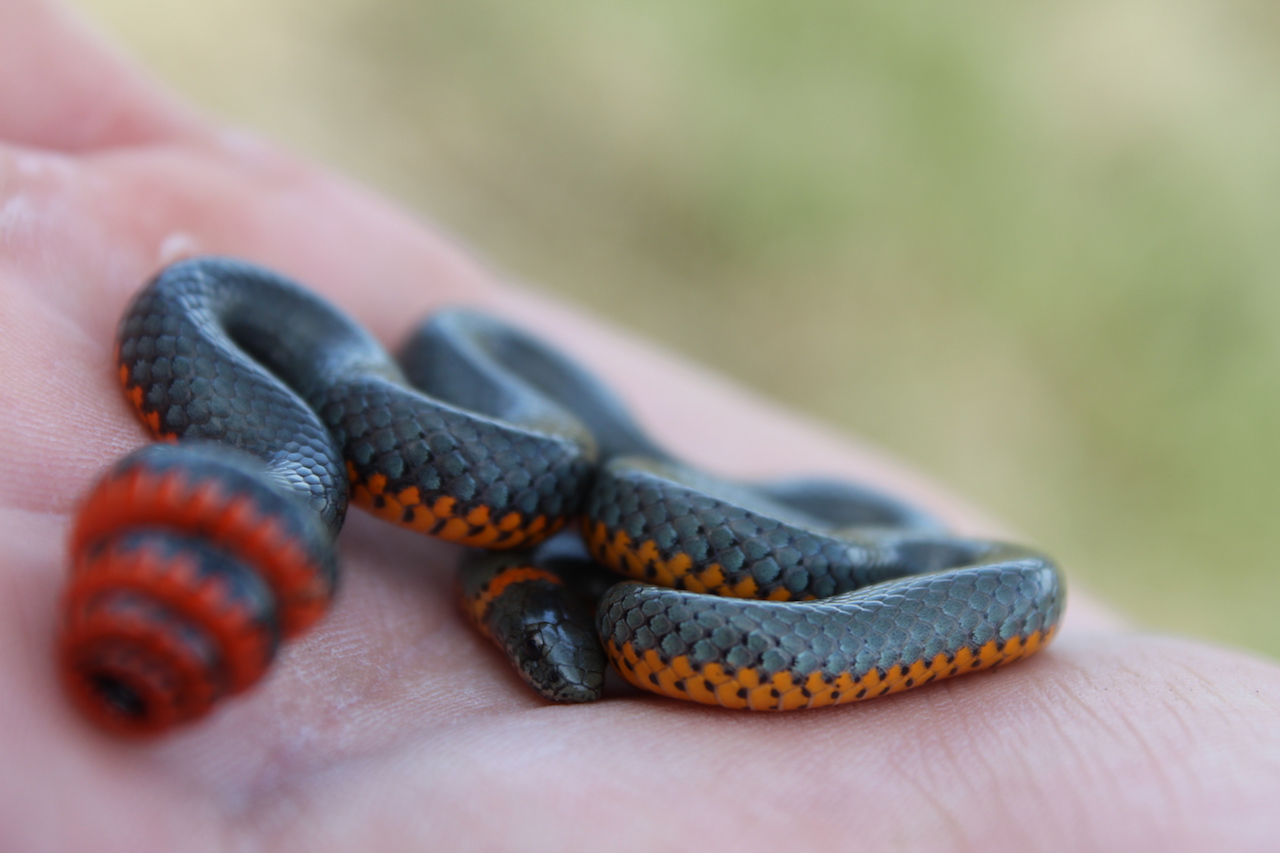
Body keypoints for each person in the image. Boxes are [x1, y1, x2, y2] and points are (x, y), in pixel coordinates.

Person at [2, 1, 1277, 849]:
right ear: (502, 585)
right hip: (295, 352)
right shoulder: (529, 477)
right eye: (539, 643)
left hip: (818, 566)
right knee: (390, 427)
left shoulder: (809, 571)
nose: (568, 678)